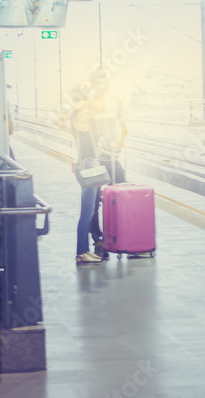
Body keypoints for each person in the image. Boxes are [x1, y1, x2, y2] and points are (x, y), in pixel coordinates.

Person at [75, 67, 133, 258]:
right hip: (95, 159)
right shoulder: (89, 104)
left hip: (112, 157)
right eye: (98, 83)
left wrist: (120, 141)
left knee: (121, 196)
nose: (102, 86)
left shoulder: (115, 101)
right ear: (93, 84)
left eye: (104, 82)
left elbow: (124, 127)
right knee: (93, 203)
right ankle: (97, 237)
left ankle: (118, 234)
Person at [56, 83, 104, 266]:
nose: (78, 103)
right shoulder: (82, 116)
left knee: (89, 210)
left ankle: (83, 251)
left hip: (87, 164)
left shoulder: (76, 118)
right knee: (87, 212)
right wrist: (90, 95)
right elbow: (97, 107)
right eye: (76, 100)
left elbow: (60, 122)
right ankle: (82, 252)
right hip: (88, 165)